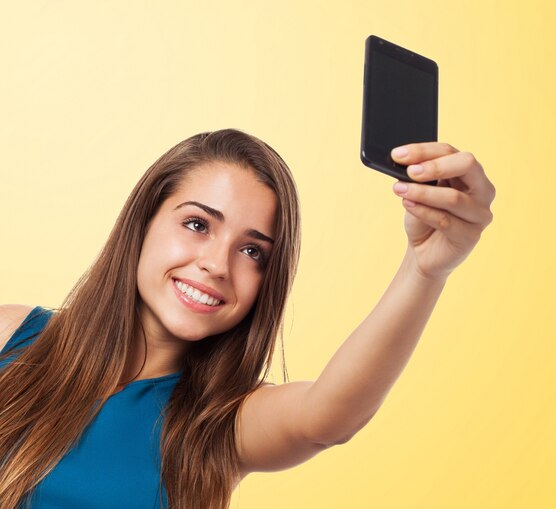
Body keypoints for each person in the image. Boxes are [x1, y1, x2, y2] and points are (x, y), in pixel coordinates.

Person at [0, 128, 495, 509]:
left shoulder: (221, 422)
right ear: (143, 222)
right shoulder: (12, 336)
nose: (218, 264)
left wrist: (425, 270)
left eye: (253, 251)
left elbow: (328, 417)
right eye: (197, 225)